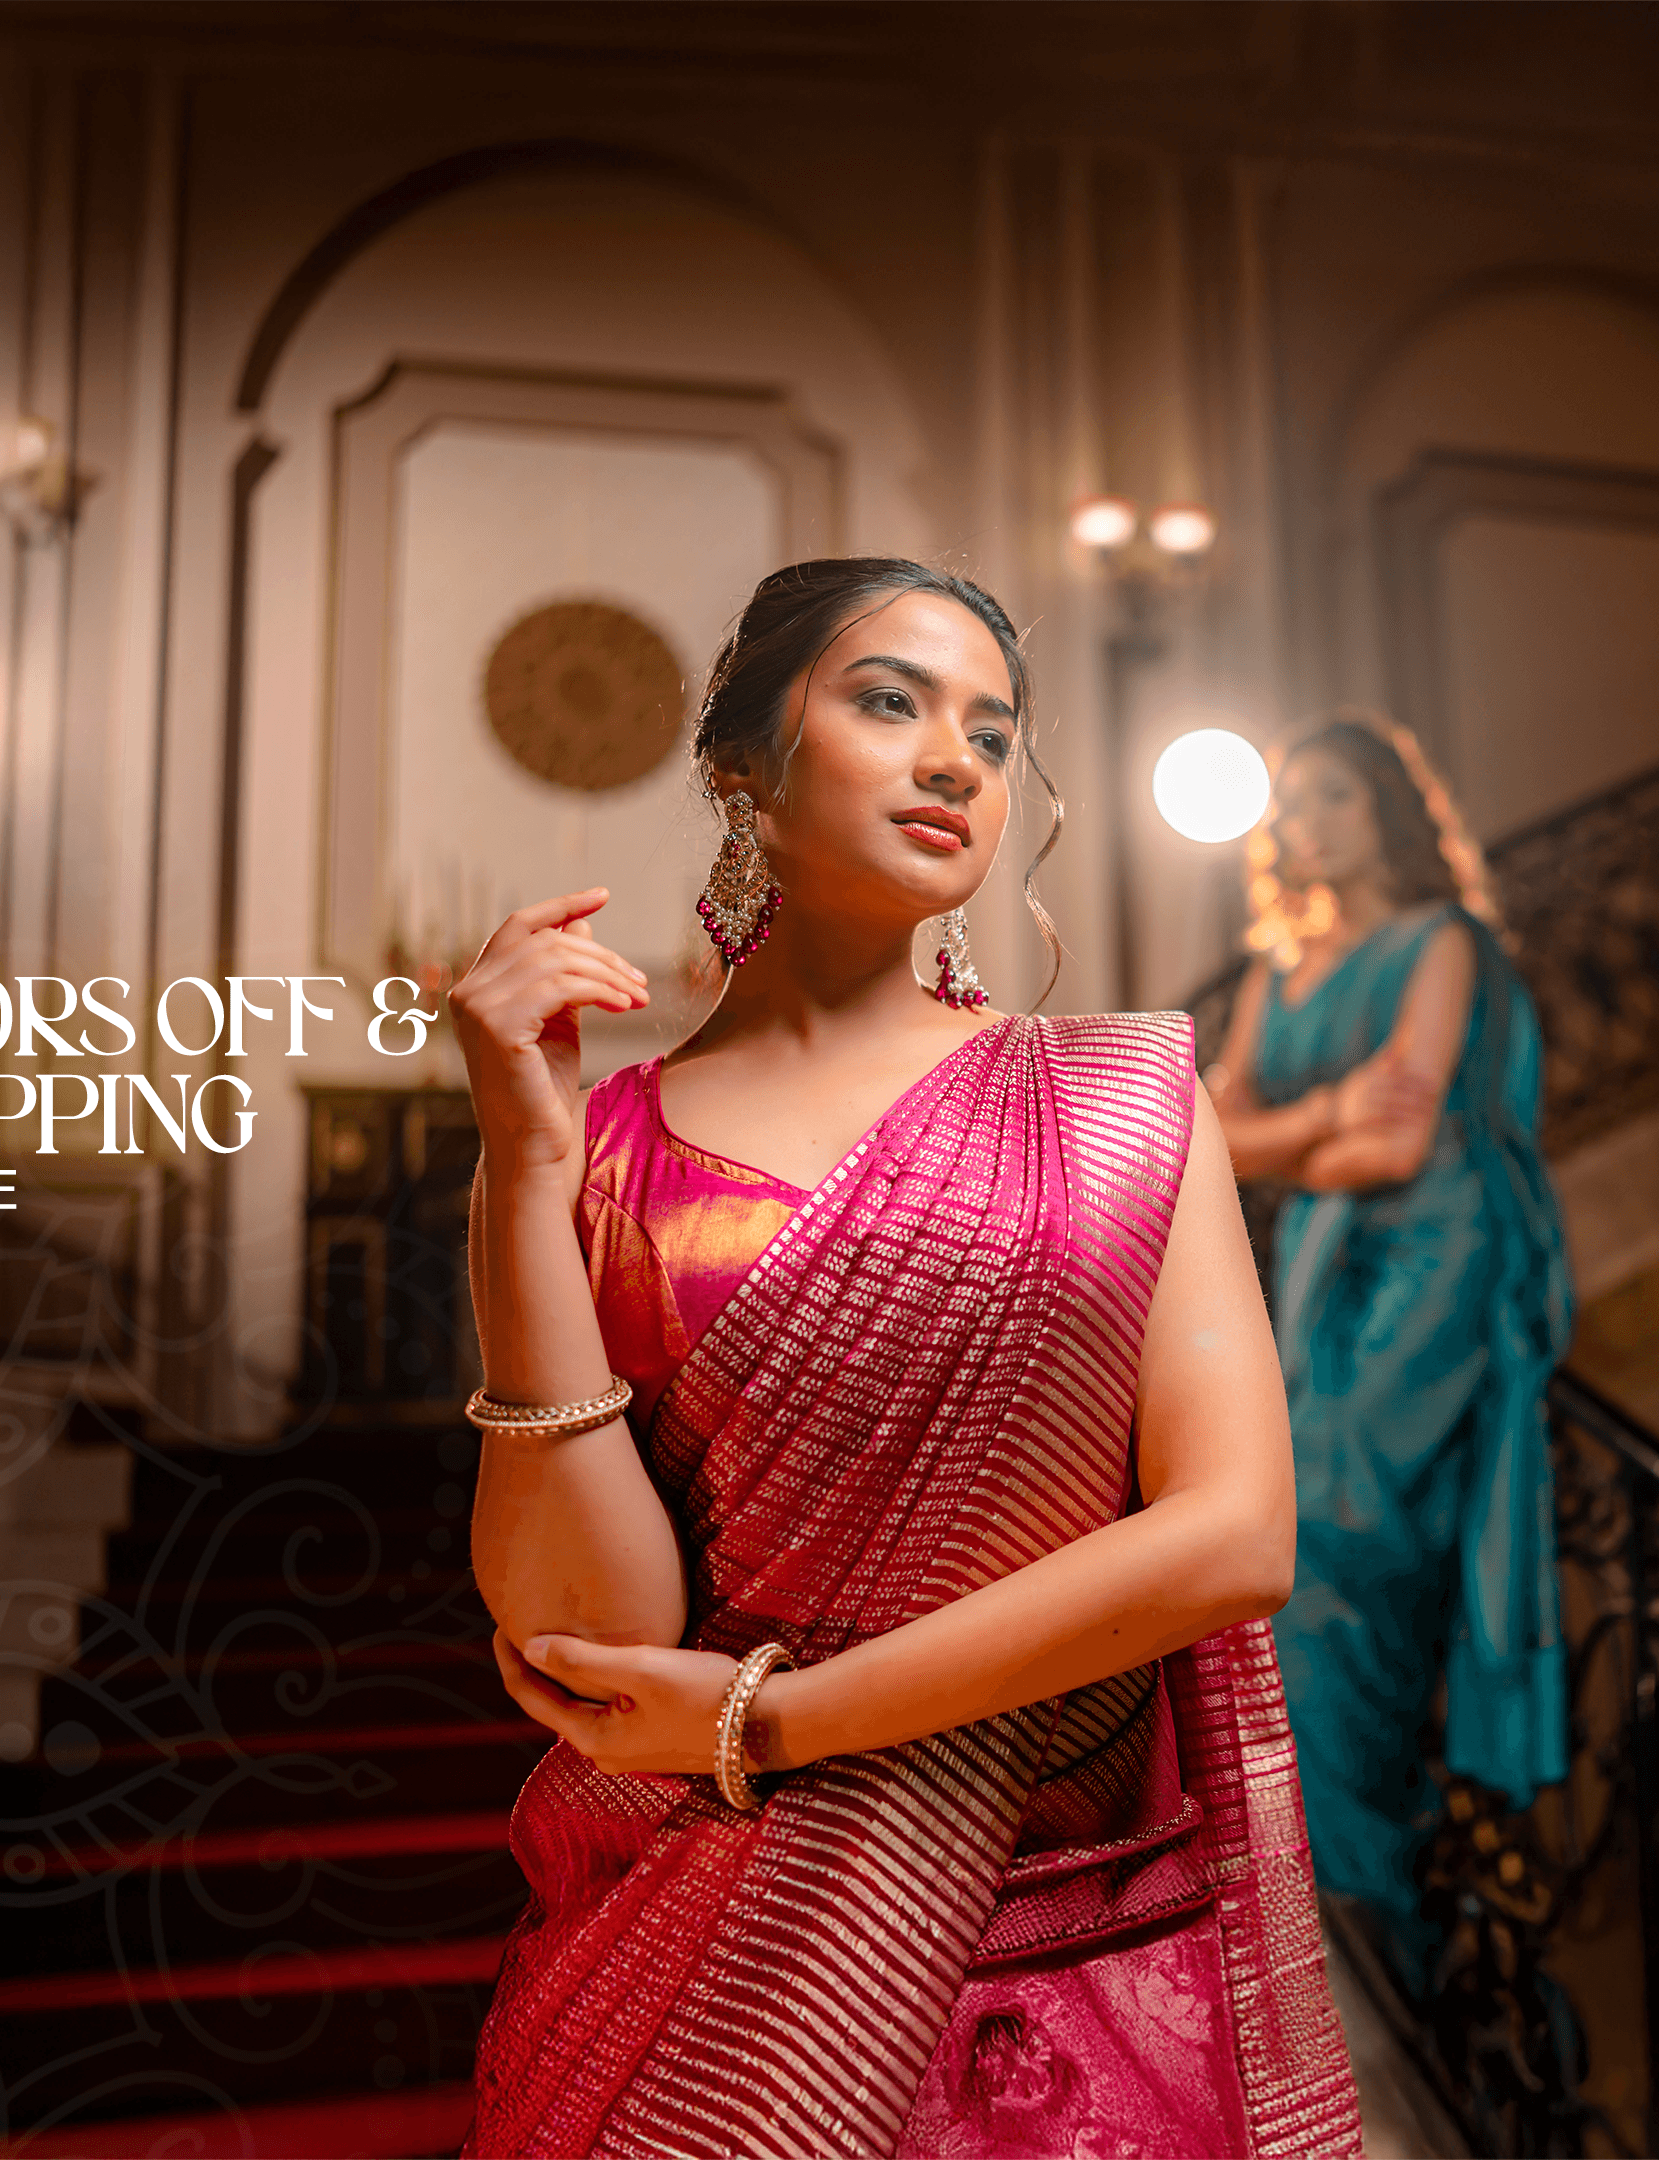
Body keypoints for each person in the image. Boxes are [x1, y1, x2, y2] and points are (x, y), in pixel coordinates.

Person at [448, 557, 1361, 2158]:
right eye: (891, 703)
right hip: (694, 1984)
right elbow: (586, 1641)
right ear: (745, 761)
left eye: (996, 737)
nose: (958, 761)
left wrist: (779, 1723)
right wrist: (520, 1174)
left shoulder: (1120, 1104)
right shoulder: (600, 1154)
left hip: (1060, 1991)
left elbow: (1234, 1537)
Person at [1207, 711, 1573, 1998]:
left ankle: (1364, 1930)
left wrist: (1294, 1141)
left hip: (1433, 1269)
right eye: (1289, 803)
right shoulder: (1276, 970)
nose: (1303, 821)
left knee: (1348, 1551)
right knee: (1281, 1560)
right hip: (1316, 1279)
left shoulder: (1445, 943)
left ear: (1387, 811)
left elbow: (1400, 1148)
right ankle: (1315, 1920)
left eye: (1331, 797)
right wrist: (1324, 1125)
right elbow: (1212, 1136)